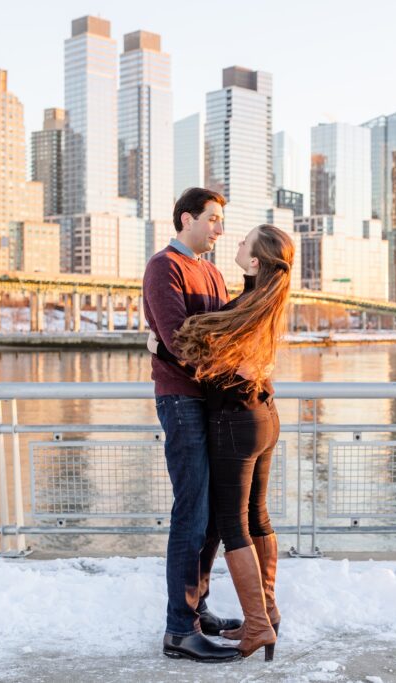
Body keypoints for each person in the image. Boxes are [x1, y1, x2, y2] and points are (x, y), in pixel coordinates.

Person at [154, 224, 294, 660]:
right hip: (263, 417)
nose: (232, 239)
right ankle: (267, 615)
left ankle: (257, 625)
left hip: (237, 420)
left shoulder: (247, 306)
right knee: (256, 517)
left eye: (243, 241)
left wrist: (157, 350)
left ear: (255, 262)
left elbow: (211, 357)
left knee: (233, 525)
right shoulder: (263, 301)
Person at [142, 187, 242, 663]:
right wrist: (223, 364)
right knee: (191, 513)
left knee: (214, 517)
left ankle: (197, 610)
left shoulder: (214, 272)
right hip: (181, 401)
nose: (220, 228)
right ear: (187, 219)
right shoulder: (165, 267)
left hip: (211, 399)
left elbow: (223, 331)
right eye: (213, 219)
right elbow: (180, 341)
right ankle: (179, 631)